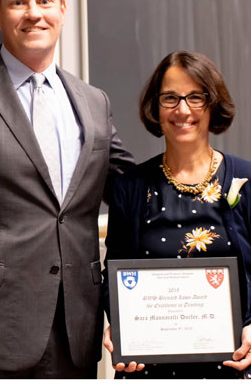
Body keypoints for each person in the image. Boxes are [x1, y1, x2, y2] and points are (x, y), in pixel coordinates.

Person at [0, 0, 135, 379]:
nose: (33, 14)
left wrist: (210, 182)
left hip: (77, 327)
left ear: (62, 8)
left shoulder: (93, 100)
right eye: (19, 3)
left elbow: (132, 191)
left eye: (44, 1)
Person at [102, 50, 251, 379]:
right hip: (149, 370)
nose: (182, 109)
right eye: (170, 98)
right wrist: (121, 326)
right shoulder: (130, 187)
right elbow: (114, 273)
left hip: (231, 368)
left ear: (213, 105)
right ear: (155, 107)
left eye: (195, 97)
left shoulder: (247, 180)